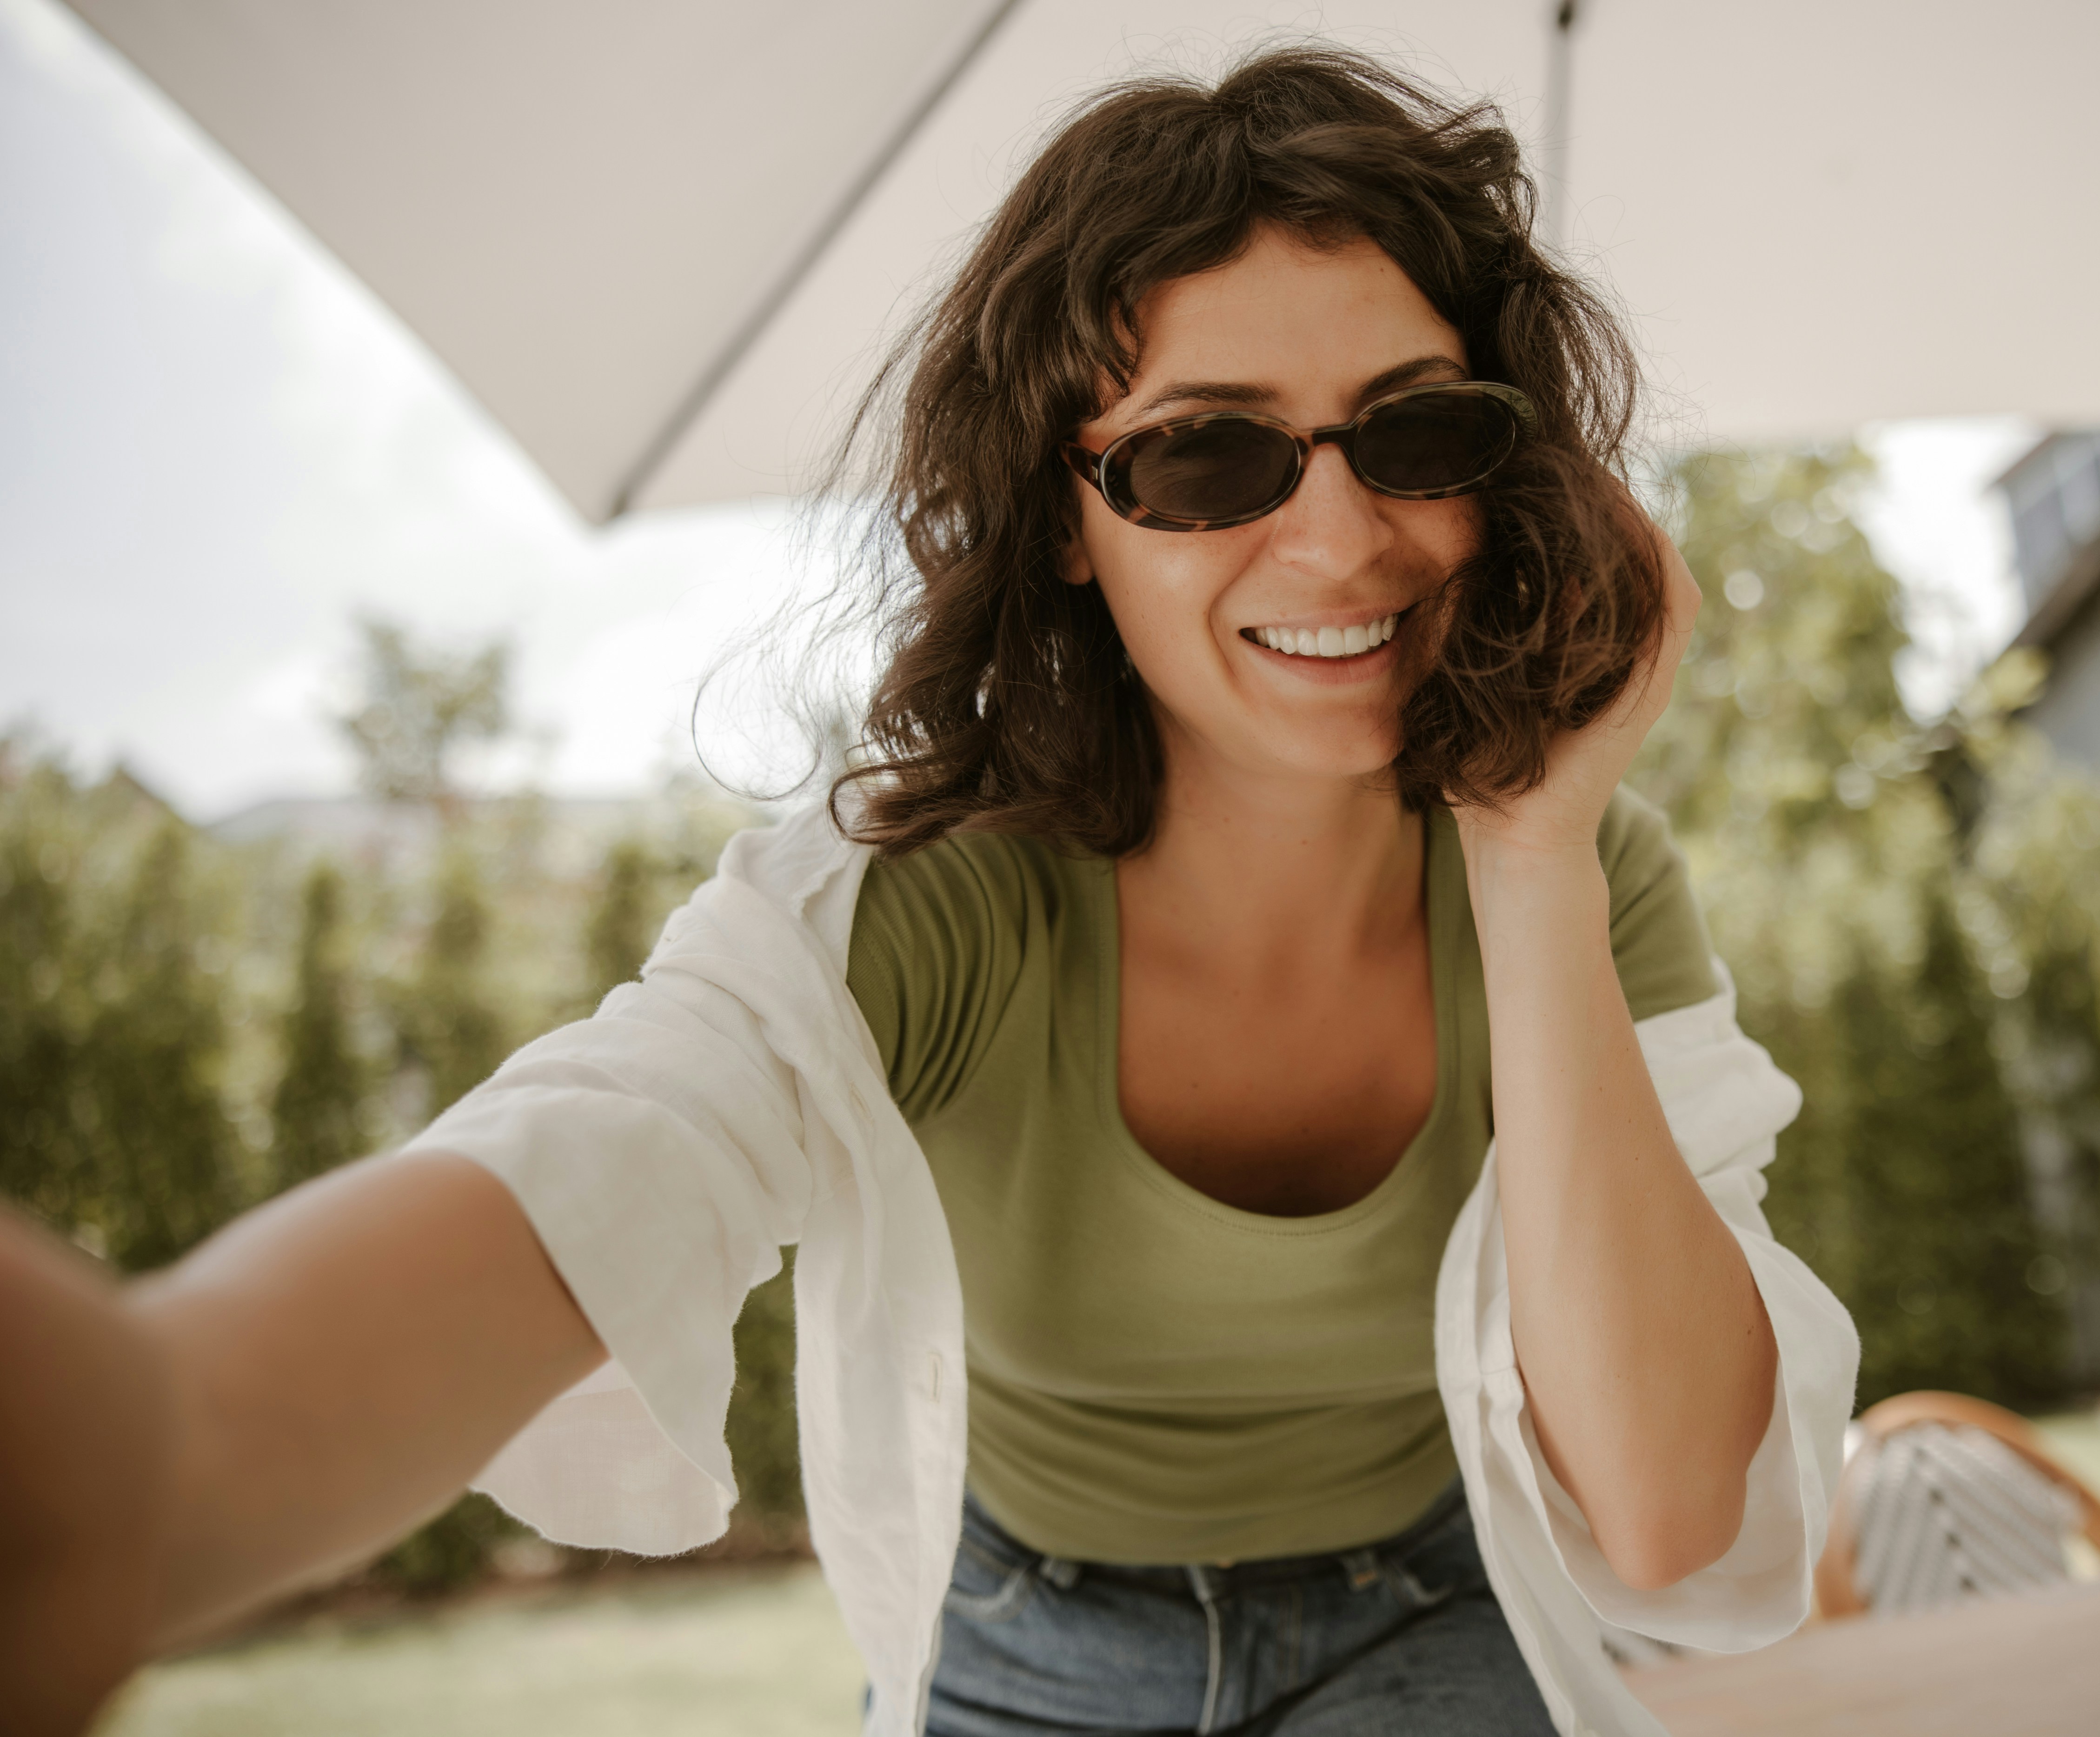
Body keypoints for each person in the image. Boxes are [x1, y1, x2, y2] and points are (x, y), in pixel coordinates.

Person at [0, 46, 1856, 1737]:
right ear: (1064, 519)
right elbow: (606, 1155)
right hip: (1027, 1637)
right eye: (1207, 453)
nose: (1339, 532)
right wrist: (152, 1451)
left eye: (1419, 430)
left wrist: (1527, 858)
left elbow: (1673, 1503)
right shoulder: (919, 913)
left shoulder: (1585, 869)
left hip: (1432, 1613)